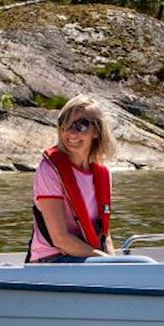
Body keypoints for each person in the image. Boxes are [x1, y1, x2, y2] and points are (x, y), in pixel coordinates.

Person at [28, 95, 117, 263]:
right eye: (65, 124)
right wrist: (108, 263)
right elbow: (60, 238)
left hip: (89, 260)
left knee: (140, 265)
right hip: (52, 261)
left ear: (97, 131)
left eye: (81, 125)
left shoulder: (103, 173)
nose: (71, 133)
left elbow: (105, 235)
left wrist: (112, 260)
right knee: (143, 265)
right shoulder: (48, 170)